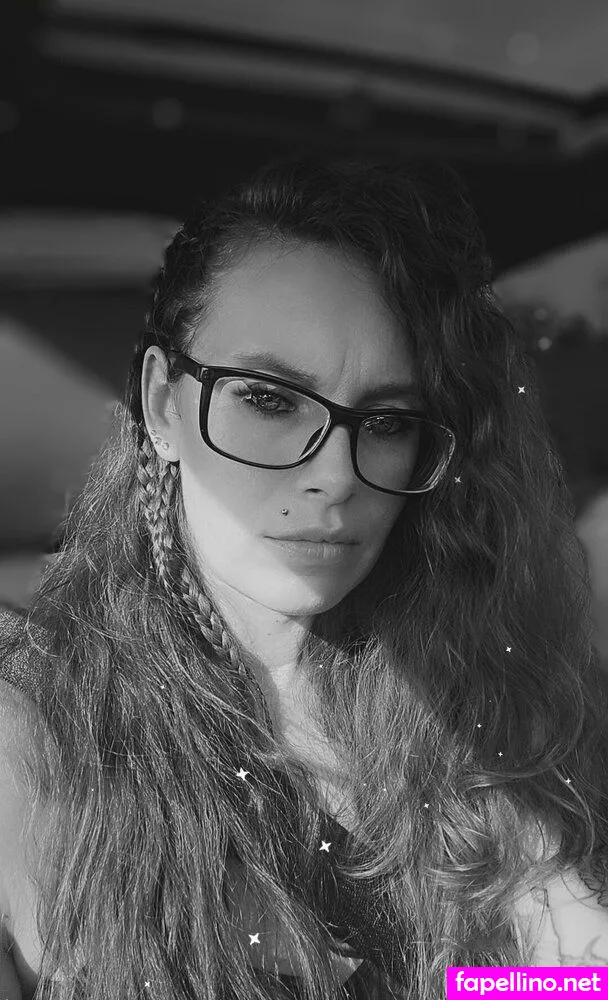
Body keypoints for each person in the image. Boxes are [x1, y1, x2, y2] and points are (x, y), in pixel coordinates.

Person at [1, 154, 608, 1000]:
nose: (335, 475)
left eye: (387, 421)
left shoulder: (469, 709)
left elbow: (565, 979)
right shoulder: (35, 732)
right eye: (270, 399)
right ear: (162, 404)